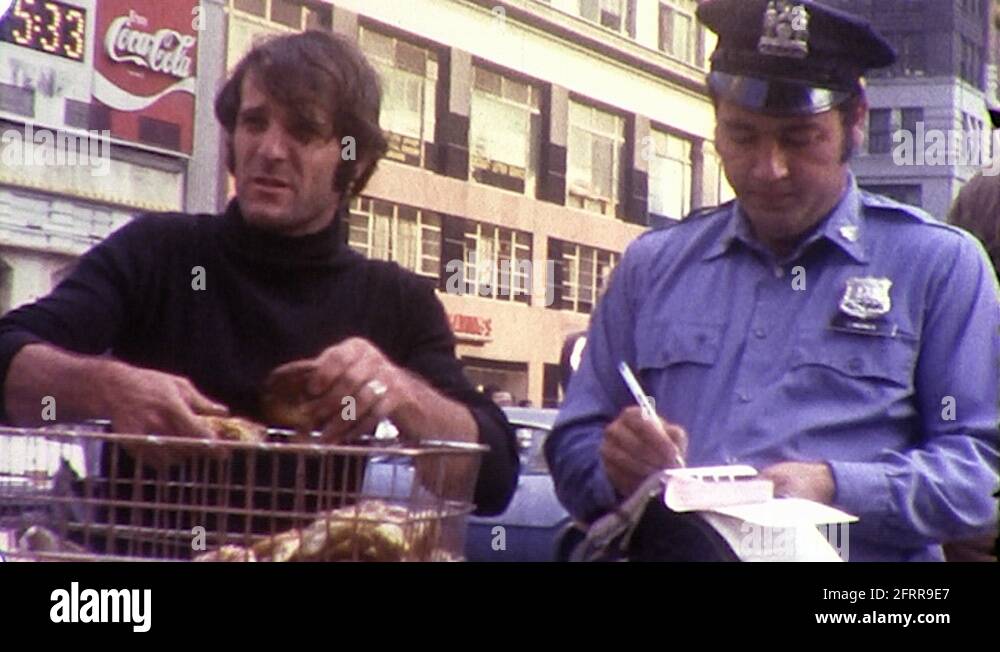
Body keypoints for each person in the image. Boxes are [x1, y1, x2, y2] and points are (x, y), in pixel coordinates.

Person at [546, 0, 999, 561]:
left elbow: (980, 473)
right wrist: (616, 469)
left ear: (854, 121)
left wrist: (834, 487)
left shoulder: (938, 266)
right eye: (742, 135)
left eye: (798, 138)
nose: (769, 168)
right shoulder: (652, 266)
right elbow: (572, 444)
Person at [0, 31, 518, 517]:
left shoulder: (395, 300)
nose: (270, 150)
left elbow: (494, 481)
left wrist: (399, 391)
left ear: (354, 162)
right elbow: (10, 352)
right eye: (254, 123)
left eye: (304, 130)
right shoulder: (156, 253)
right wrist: (106, 387)